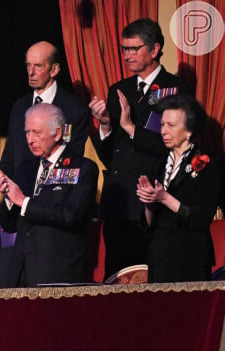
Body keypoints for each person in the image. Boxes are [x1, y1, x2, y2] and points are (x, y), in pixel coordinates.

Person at [89, 18, 190, 279]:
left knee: (151, 282)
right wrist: (104, 126)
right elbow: (109, 155)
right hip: (118, 201)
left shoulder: (175, 89)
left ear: (154, 50)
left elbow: (174, 146)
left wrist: (131, 127)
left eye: (134, 49)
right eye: (124, 49)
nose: (127, 55)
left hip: (152, 199)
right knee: (117, 280)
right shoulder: (119, 90)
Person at [0, 104, 98, 287]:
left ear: (57, 134)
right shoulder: (26, 168)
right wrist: (9, 199)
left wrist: (24, 202)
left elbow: (70, 215)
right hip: (21, 272)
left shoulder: (82, 168)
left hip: (56, 271)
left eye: (36, 132)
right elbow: (9, 225)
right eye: (27, 133)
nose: (30, 139)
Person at [136, 95, 218, 282]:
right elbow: (148, 224)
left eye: (171, 125)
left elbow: (201, 219)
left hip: (191, 258)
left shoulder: (207, 164)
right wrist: (149, 202)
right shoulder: (160, 163)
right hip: (159, 257)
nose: (163, 131)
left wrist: (166, 198)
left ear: (189, 131)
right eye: (162, 124)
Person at [0, 41, 90, 178]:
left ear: (54, 70)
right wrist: (2, 176)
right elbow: (10, 153)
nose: (31, 72)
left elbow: (71, 160)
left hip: (52, 194)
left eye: (38, 66)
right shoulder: (19, 106)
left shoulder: (74, 109)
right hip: (16, 192)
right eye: (28, 65)